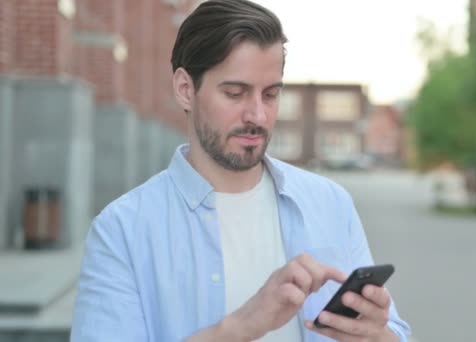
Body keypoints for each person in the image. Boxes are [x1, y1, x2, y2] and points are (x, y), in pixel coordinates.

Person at [70, 0, 410, 341]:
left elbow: (394, 333)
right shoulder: (122, 231)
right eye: (235, 93)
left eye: (271, 94)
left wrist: (378, 336)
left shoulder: (330, 203)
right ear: (186, 90)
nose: (258, 115)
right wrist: (244, 325)